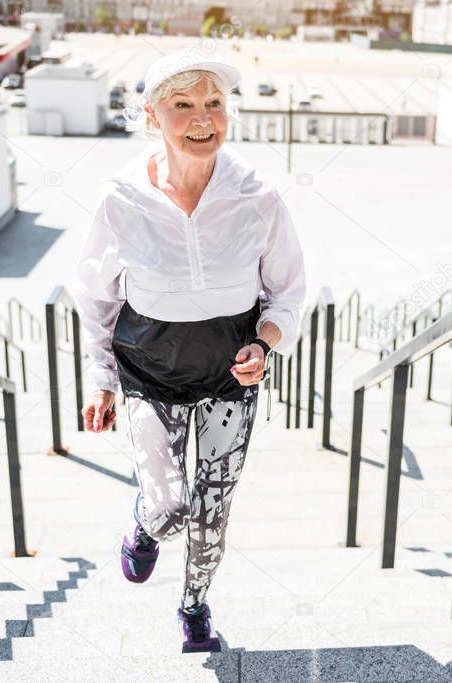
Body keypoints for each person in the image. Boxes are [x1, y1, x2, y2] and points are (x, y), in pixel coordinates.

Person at [72, 48, 306, 653]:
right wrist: (99, 378)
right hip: (149, 373)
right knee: (172, 507)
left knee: (211, 512)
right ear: (153, 116)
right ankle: (145, 525)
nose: (203, 119)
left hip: (230, 376)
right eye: (184, 105)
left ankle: (195, 607)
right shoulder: (120, 197)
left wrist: (263, 342)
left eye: (214, 104)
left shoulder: (258, 195)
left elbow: (287, 294)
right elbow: (96, 297)